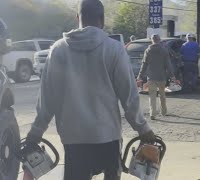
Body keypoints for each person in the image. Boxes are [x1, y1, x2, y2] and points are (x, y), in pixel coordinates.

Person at [25, 0, 155, 180]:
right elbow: (129, 96)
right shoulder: (114, 49)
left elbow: (47, 99)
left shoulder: (58, 50)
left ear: (78, 18)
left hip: (74, 139)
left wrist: (35, 134)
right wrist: (143, 129)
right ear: (102, 19)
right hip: (108, 136)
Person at [137, 34, 175, 120]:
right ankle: (164, 111)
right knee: (162, 94)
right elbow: (168, 65)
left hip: (151, 77)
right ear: (159, 40)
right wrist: (172, 76)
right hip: (161, 77)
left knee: (152, 96)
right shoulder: (164, 50)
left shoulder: (148, 50)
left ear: (152, 40)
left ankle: (152, 113)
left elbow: (144, 64)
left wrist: (140, 76)